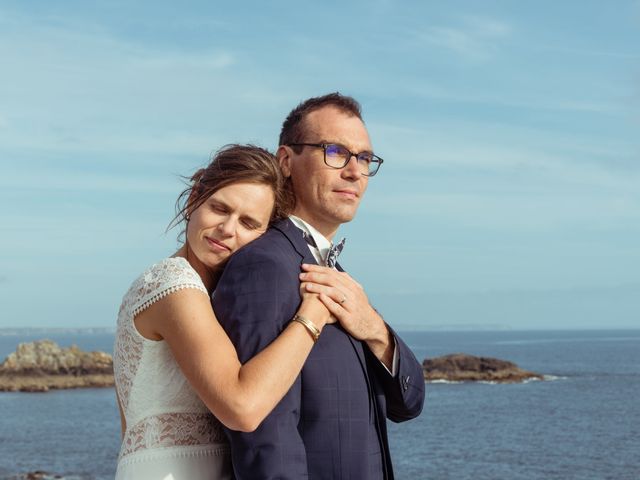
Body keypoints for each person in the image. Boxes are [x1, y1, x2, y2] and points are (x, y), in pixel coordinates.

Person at [213, 94, 426, 479]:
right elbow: (266, 440)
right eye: (335, 151)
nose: (354, 172)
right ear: (286, 161)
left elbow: (408, 403)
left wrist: (376, 330)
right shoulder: (265, 265)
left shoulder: (335, 274)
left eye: (364, 158)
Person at [113, 144, 345, 479]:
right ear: (195, 198)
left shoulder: (211, 295)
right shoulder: (173, 283)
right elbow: (243, 408)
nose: (228, 229)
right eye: (220, 209)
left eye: (249, 223)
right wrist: (313, 315)